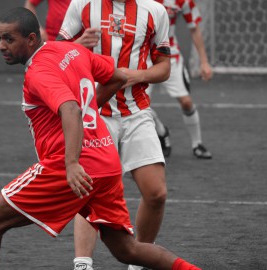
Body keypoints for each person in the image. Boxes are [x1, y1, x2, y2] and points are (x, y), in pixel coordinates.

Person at [0, 7, 201, 270]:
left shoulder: (39, 72)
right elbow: (118, 76)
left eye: (9, 39)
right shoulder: (73, 51)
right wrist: (92, 106)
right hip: (105, 160)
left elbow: (71, 109)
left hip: (70, 166)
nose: (1, 46)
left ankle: (82, 261)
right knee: (127, 249)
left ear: (32, 39)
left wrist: (71, 164)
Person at [57, 1, 173, 269]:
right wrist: (79, 45)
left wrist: (139, 75)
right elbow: (56, 54)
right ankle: (83, 264)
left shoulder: (155, 10)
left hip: (137, 113)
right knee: (88, 191)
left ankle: (138, 260)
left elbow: (164, 67)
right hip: (94, 113)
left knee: (156, 193)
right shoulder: (82, 5)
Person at [146, 0, 213, 159]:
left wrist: (204, 62)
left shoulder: (182, 2)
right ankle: (161, 131)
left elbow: (194, 28)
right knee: (139, 106)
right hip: (143, 57)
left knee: (186, 102)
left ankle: (197, 144)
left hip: (170, 56)